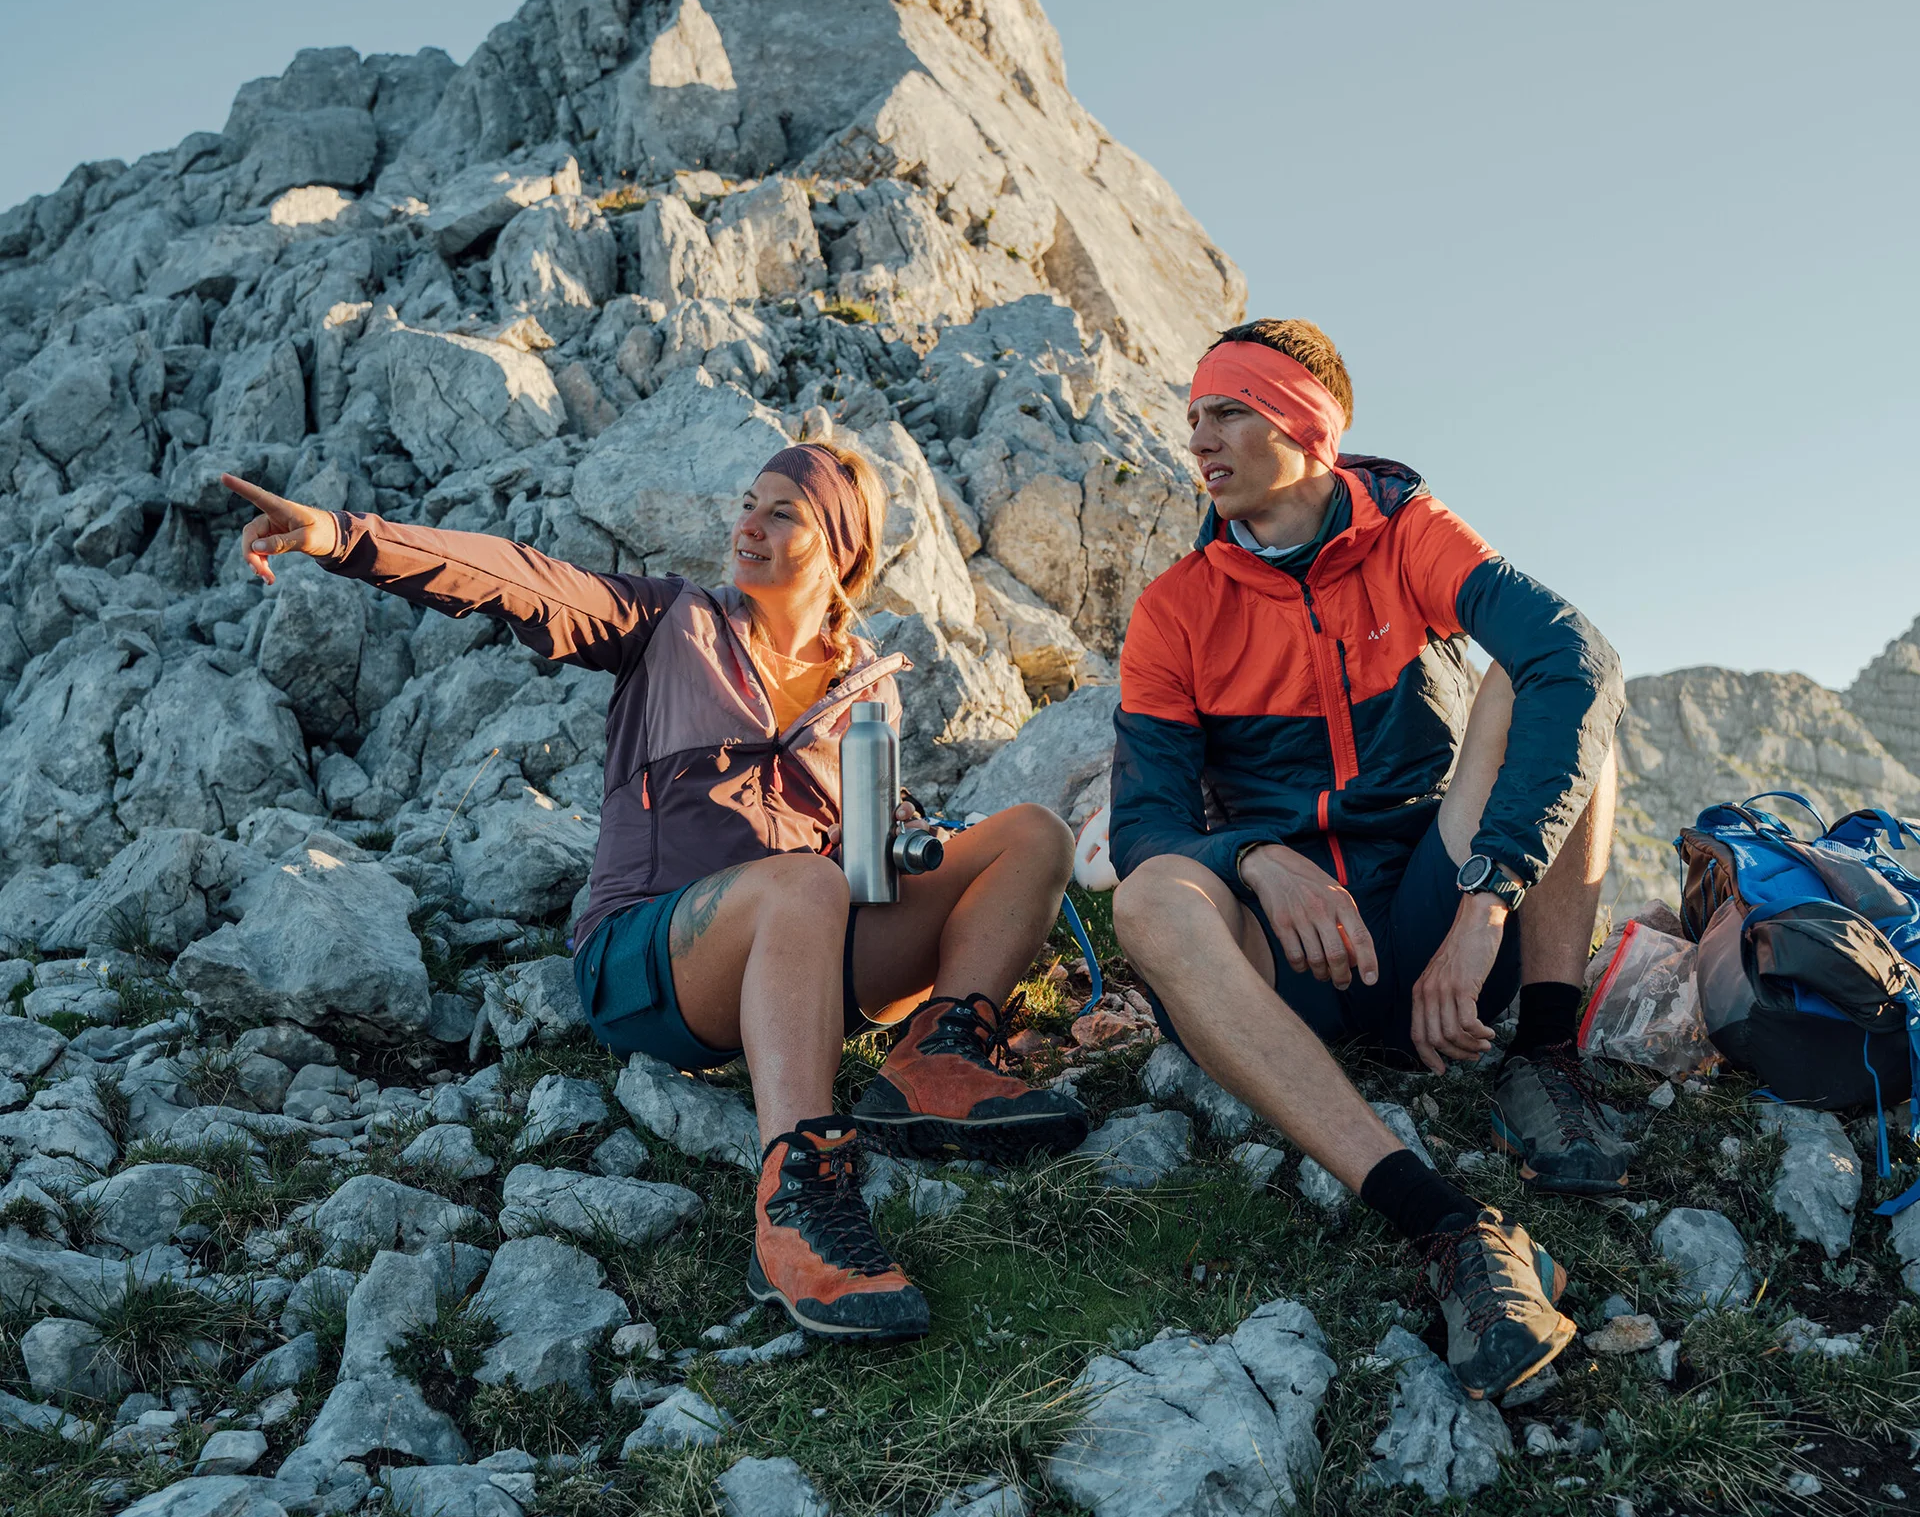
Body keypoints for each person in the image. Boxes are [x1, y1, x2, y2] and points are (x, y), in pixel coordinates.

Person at [223, 443, 1084, 1346]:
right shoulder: (672, 623)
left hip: (798, 953)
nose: (747, 525)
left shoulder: (865, 690)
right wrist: (340, 537)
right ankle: (796, 1200)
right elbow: (515, 580)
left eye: (782, 512)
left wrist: (898, 844)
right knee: (801, 884)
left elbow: (860, 860)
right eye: (748, 503)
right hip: (647, 959)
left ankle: (934, 1064)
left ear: (841, 551)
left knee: (1033, 835)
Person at [1107, 318, 1626, 1401]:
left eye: (1230, 411)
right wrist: (1256, 855)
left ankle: (1544, 1055)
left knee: (1556, 689)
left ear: (1307, 426)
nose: (1200, 440)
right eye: (1194, 416)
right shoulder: (1174, 610)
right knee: (1151, 899)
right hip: (1292, 961)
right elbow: (1144, 828)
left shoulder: (1408, 534)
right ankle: (1443, 1223)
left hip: (1437, 920)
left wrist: (1484, 904)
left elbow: (1574, 656)